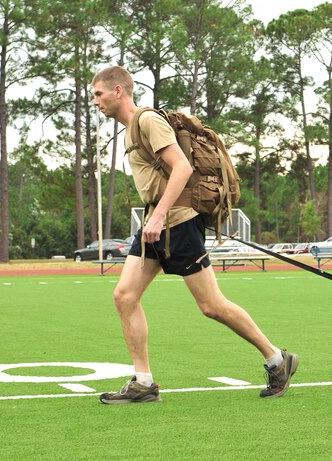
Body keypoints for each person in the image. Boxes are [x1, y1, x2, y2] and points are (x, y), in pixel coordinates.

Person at [91, 66, 297, 404]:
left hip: (178, 223)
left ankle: (278, 360)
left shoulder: (147, 121)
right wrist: (154, 219)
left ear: (118, 91)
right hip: (157, 223)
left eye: (98, 94)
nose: (95, 102)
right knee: (124, 297)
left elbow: (182, 168)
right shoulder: (130, 130)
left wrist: (158, 216)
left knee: (211, 306)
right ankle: (143, 382)